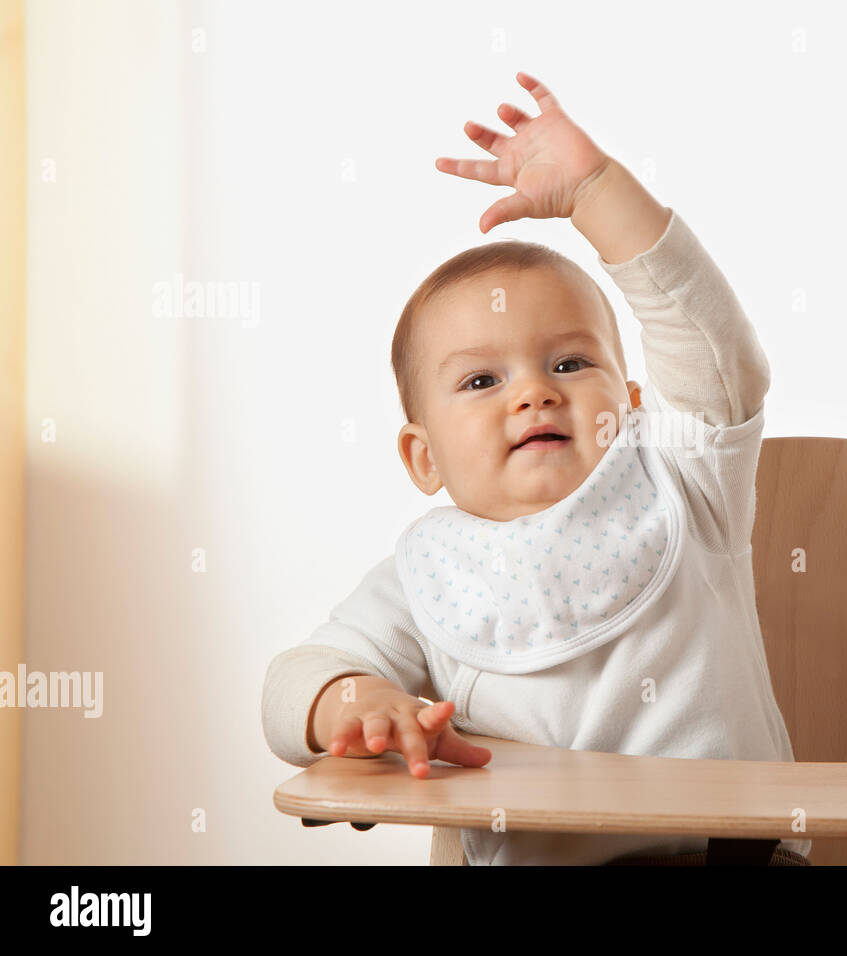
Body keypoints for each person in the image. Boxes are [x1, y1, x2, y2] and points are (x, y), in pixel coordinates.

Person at [261, 72, 810, 866]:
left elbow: (714, 352)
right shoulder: (423, 579)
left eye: (571, 361)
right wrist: (352, 701)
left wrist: (596, 191)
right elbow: (294, 678)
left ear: (630, 404)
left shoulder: (685, 484)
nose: (535, 394)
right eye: (482, 381)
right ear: (423, 457)